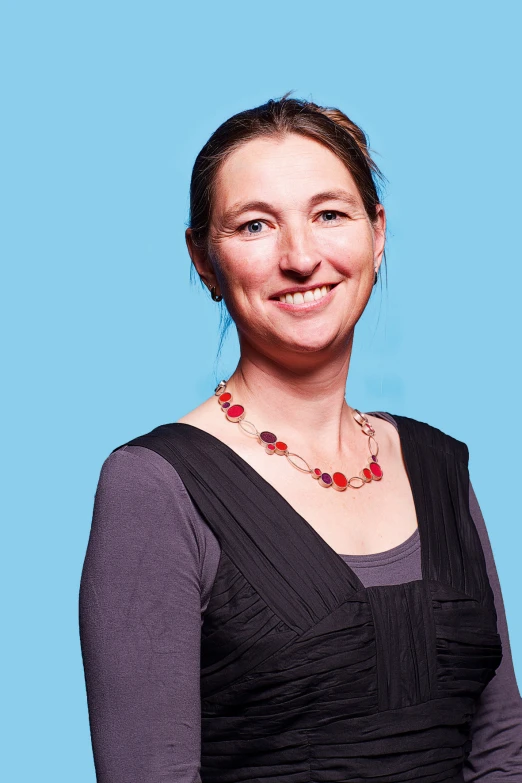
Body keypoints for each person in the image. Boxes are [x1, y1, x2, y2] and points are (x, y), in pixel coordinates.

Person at [79, 97, 522, 782]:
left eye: (330, 214)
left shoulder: (441, 467)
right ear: (203, 257)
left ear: (377, 234)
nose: (301, 256)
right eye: (255, 224)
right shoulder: (154, 486)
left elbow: (501, 750)